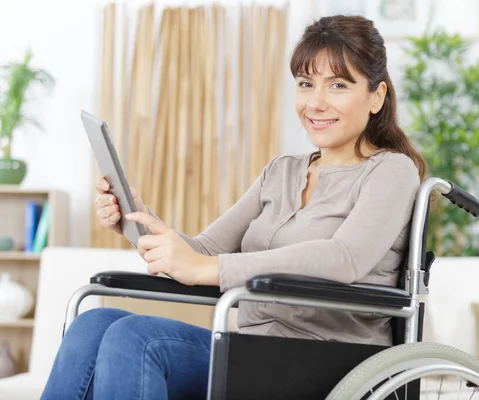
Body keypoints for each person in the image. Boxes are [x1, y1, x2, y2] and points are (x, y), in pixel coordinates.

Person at [41, 13, 426, 400]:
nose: (316, 102)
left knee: (136, 339)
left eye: (338, 85)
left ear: (376, 96)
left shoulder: (392, 170)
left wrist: (211, 269)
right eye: (306, 84)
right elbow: (204, 251)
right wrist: (139, 217)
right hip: (255, 349)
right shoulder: (280, 172)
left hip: (334, 361)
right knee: (92, 324)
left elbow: (344, 258)